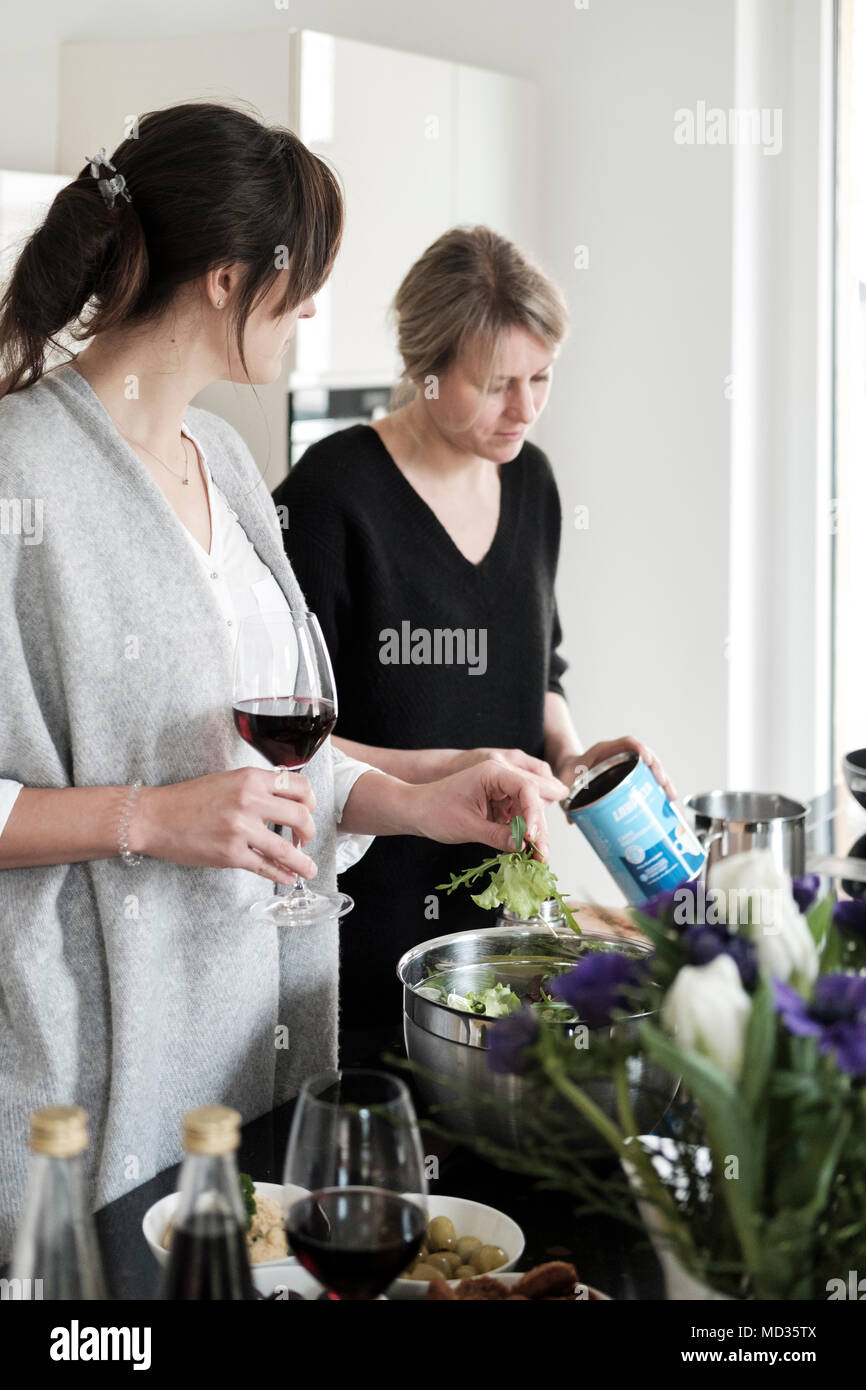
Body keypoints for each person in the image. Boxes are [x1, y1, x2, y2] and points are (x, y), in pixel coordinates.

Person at [0, 104, 564, 1259]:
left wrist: (412, 799)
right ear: (224, 281)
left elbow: (271, 753)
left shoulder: (229, 464)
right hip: (91, 1063)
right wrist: (147, 818)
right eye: (300, 287)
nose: (313, 315)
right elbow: (169, 801)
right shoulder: (22, 469)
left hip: (255, 1037)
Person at [274, 227, 673, 1063]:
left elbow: (539, 664)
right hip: (364, 928)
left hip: (503, 926)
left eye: (542, 378)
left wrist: (569, 757)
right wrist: (445, 766)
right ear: (425, 368)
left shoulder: (532, 480)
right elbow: (284, 739)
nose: (524, 409)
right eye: (496, 385)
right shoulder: (329, 496)